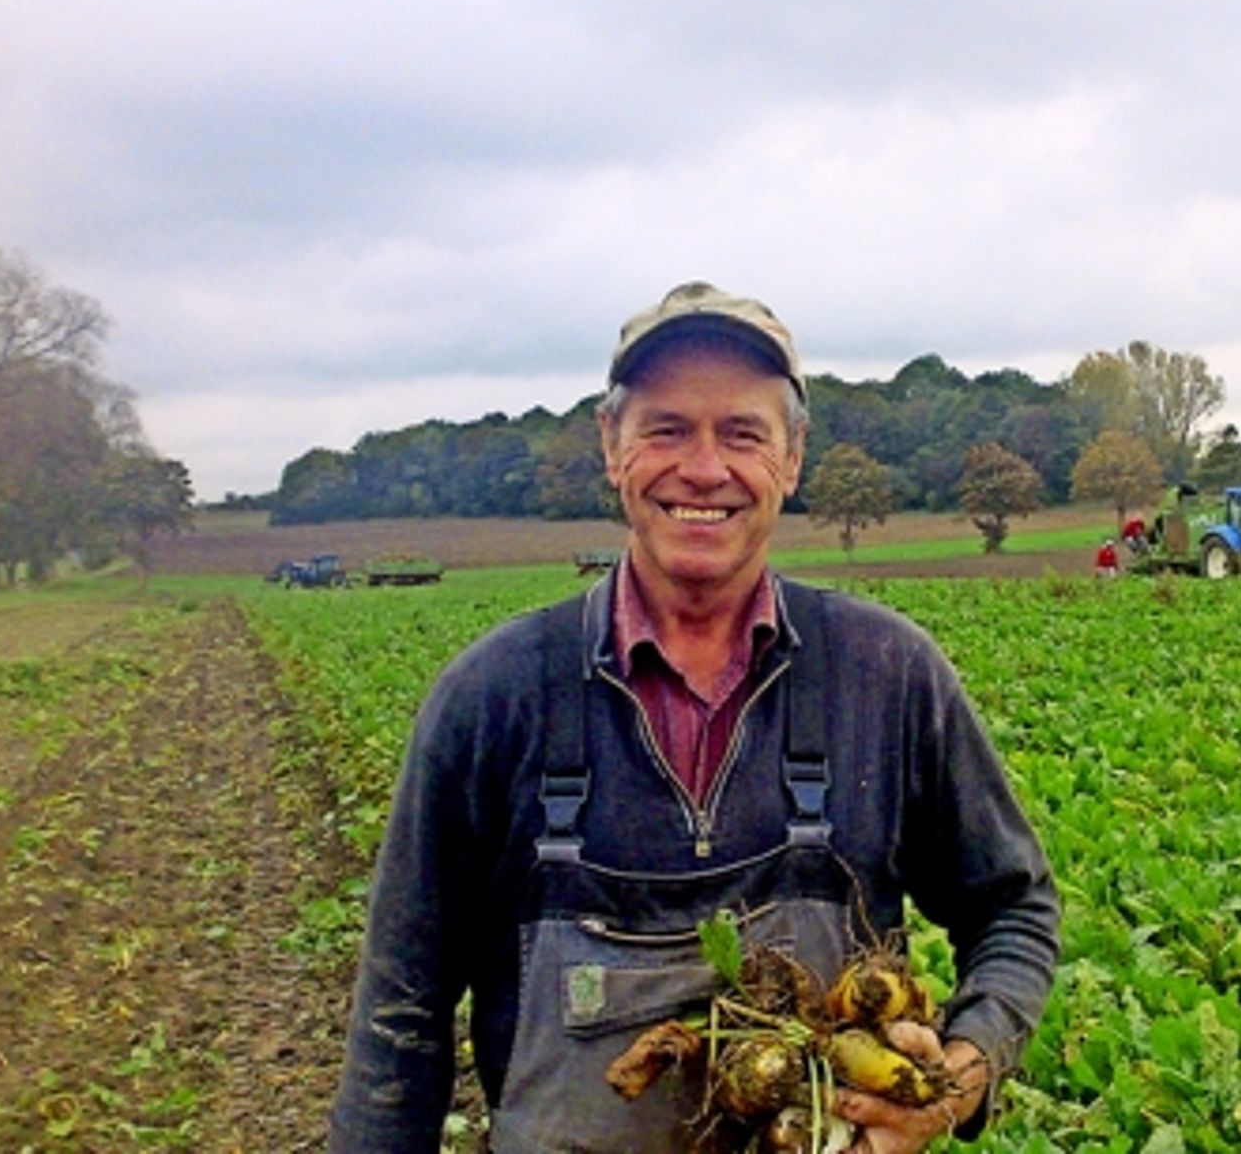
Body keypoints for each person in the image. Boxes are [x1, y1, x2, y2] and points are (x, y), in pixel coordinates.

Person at [329, 281, 1060, 1153]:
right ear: (613, 446)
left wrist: (956, 1080)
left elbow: (1014, 907)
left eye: (743, 433)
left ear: (791, 459)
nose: (704, 468)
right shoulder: (494, 697)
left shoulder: (887, 675)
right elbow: (398, 1015)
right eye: (667, 428)